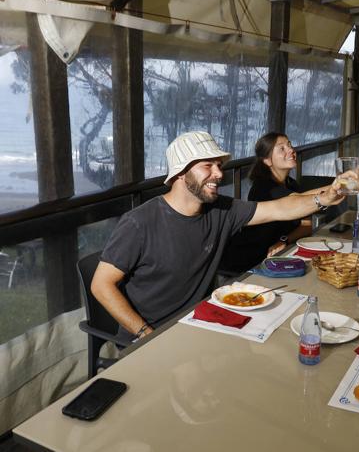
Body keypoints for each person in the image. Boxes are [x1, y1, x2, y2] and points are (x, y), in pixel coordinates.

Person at [91, 131, 344, 342]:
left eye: (219, 165)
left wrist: (325, 198)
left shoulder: (220, 209)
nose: (219, 174)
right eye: (207, 165)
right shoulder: (139, 223)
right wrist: (147, 334)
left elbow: (278, 208)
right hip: (148, 337)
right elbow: (101, 285)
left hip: (197, 323)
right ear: (181, 173)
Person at [219, 132, 320, 273]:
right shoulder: (264, 188)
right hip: (245, 263)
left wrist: (284, 240)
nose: (291, 150)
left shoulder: (292, 185)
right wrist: (337, 188)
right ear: (267, 160)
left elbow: (306, 226)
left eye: (289, 145)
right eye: (282, 148)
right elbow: (300, 201)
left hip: (274, 258)